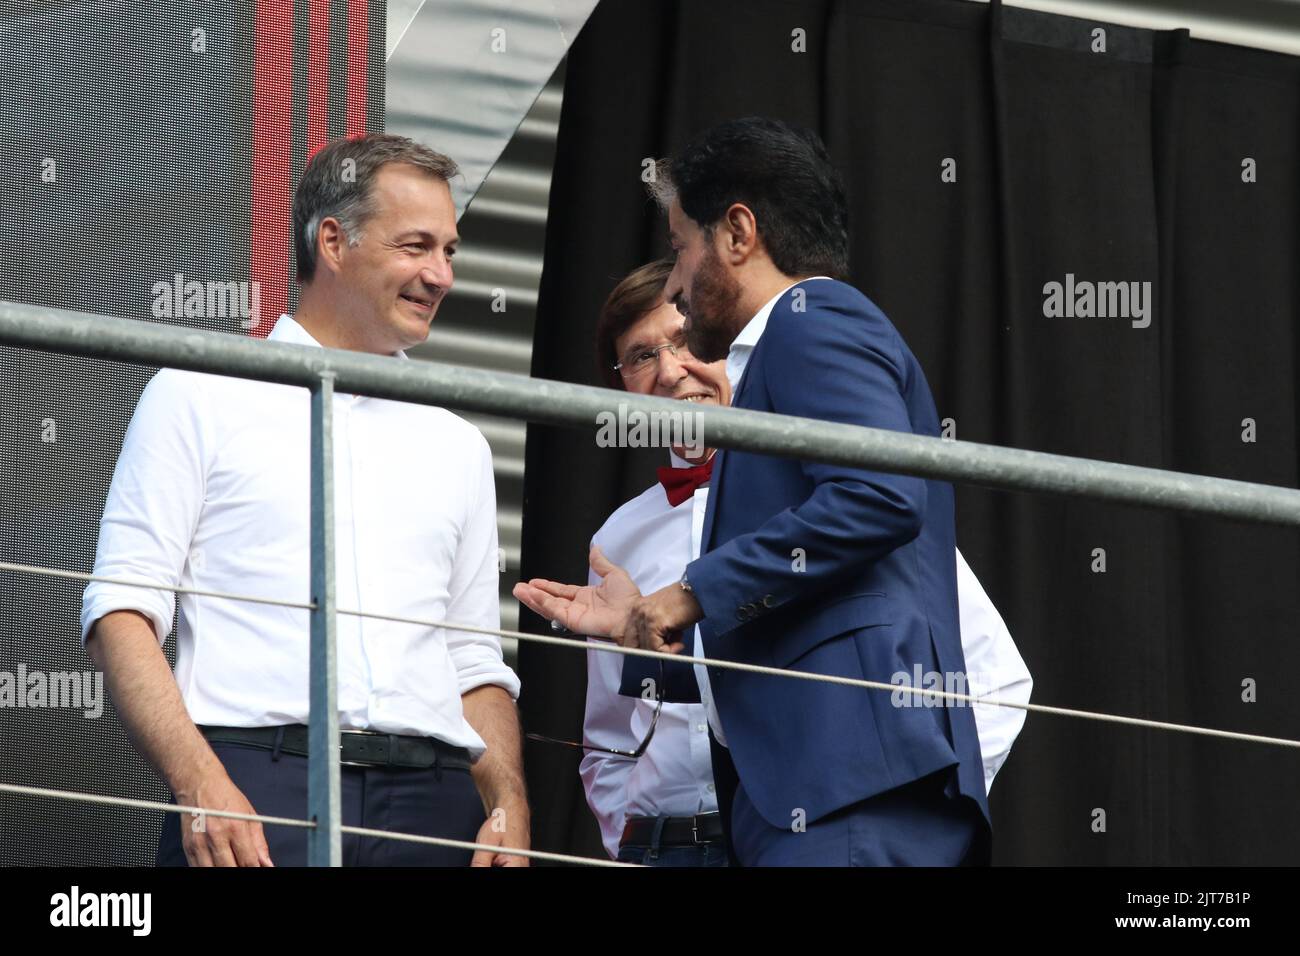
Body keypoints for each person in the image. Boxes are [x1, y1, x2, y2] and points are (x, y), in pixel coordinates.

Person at [515, 117, 989, 866]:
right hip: (805, 797)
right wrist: (648, 625)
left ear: (737, 233)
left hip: (848, 788)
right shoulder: (790, 350)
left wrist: (687, 593)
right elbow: (810, 596)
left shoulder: (809, 321)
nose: (674, 281)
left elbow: (879, 496)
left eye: (680, 249)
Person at [81, 133, 529, 867]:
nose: (441, 274)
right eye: (417, 245)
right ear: (333, 241)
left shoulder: (459, 441)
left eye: (450, 250)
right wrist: (201, 783)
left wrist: (508, 810)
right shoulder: (199, 393)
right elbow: (121, 609)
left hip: (434, 804)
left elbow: (473, 661)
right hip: (258, 786)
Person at [576, 260, 1032, 865]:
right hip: (668, 849)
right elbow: (607, 738)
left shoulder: (828, 497)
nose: (669, 371)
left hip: (804, 837)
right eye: (640, 356)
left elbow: (996, 678)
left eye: (685, 342)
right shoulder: (617, 536)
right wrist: (630, 842)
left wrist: (921, 807)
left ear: (726, 347)